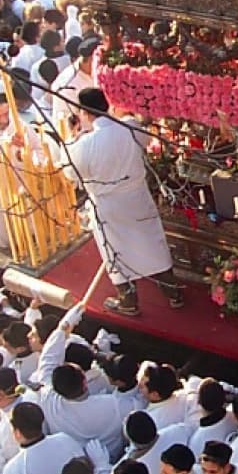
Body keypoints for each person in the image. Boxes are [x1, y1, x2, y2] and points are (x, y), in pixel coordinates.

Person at [63, 87, 181, 315]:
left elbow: (70, 171)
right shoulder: (129, 127)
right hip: (136, 197)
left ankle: (129, 301)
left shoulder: (84, 145)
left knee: (116, 251)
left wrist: (72, 137)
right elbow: (146, 142)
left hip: (109, 205)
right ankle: (172, 292)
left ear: (84, 114)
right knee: (151, 243)